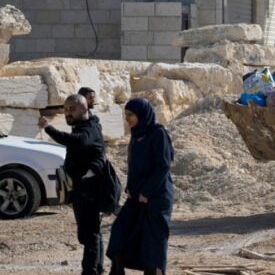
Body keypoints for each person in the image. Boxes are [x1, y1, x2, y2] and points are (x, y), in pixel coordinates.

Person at [38, 94, 105, 275]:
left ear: (84, 109)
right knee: (91, 233)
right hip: (83, 188)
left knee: (89, 234)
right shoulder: (82, 125)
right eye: (66, 109)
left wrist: (48, 128)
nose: (68, 113)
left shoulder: (89, 129)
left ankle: (90, 271)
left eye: (72, 109)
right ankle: (97, 268)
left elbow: (77, 141)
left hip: (89, 189)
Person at [107, 98, 174, 275]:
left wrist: (147, 191)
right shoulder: (137, 134)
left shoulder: (158, 134)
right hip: (136, 196)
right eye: (125, 115)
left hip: (156, 197)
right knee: (120, 231)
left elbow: (163, 166)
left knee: (153, 243)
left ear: (141, 114)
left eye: (130, 115)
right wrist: (131, 188)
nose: (127, 119)